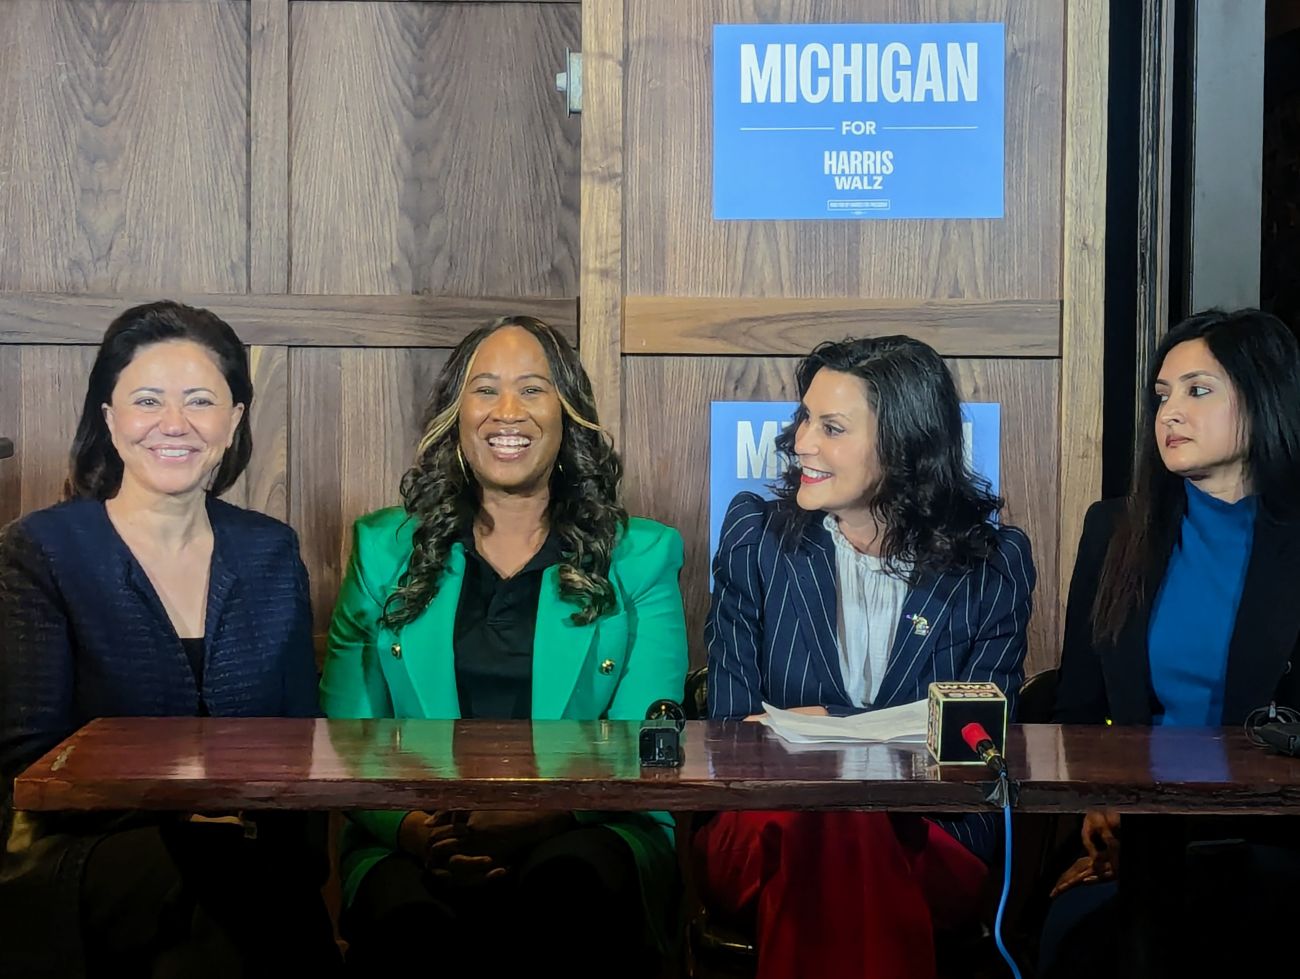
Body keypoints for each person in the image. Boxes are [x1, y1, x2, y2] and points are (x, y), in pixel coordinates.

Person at [320, 315, 688, 978]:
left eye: (533, 390)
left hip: (590, 826)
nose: (506, 412)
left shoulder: (643, 556)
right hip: (411, 832)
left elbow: (652, 743)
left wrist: (539, 817)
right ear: (454, 413)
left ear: (569, 412)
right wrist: (418, 832)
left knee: (563, 893)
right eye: (485, 390)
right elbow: (348, 737)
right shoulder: (381, 549)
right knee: (412, 927)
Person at [0, 301, 340, 978]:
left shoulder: (270, 550)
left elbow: (301, 742)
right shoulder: (43, 549)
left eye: (200, 401)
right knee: (212, 911)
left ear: (234, 420)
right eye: (148, 400)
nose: (174, 424)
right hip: (81, 855)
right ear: (110, 418)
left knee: (243, 911)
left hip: (243, 862)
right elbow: (28, 760)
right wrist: (185, 818)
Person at [700, 335, 1035, 979]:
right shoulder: (757, 538)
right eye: (804, 419)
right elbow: (731, 738)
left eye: (831, 427)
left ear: (906, 444)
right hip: (765, 829)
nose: (801, 442)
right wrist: (877, 739)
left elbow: (975, 752)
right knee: (838, 820)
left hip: (933, 836)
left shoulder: (993, 565)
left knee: (849, 819)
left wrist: (824, 725)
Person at [1044, 309, 1300, 977]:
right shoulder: (1116, 529)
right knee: (1099, 937)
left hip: (1270, 839)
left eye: (1198, 390)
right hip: (1139, 832)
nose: (1170, 413)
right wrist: (1099, 802)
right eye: (1163, 395)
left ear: (1264, 396)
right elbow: (1076, 709)